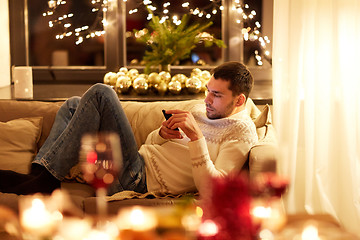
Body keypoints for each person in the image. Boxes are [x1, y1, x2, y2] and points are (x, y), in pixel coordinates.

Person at [0, 61, 258, 196]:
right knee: (72, 105)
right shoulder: (203, 110)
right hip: (135, 162)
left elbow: (214, 190)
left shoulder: (241, 132)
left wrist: (197, 138)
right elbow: (152, 144)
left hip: (137, 183)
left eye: (216, 95)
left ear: (239, 101)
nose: (206, 100)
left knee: (101, 93)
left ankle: (45, 181)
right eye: (207, 91)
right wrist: (161, 134)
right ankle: (40, 173)